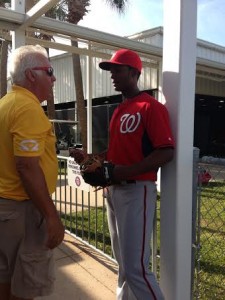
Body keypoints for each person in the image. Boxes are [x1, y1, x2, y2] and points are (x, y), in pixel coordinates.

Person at [70, 48, 174, 300]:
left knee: (136, 268)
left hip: (137, 190)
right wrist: (91, 158)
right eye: (111, 70)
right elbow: (115, 151)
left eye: (117, 69)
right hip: (114, 191)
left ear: (134, 72)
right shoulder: (119, 110)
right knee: (124, 265)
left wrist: (122, 171)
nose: (112, 75)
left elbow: (166, 151)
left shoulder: (151, 107)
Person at [0, 45, 65, 300]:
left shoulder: (6, 103)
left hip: (6, 211)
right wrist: (51, 216)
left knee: (5, 281)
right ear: (30, 76)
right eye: (49, 71)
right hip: (23, 212)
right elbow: (27, 166)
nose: (54, 78)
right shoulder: (27, 108)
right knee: (25, 286)